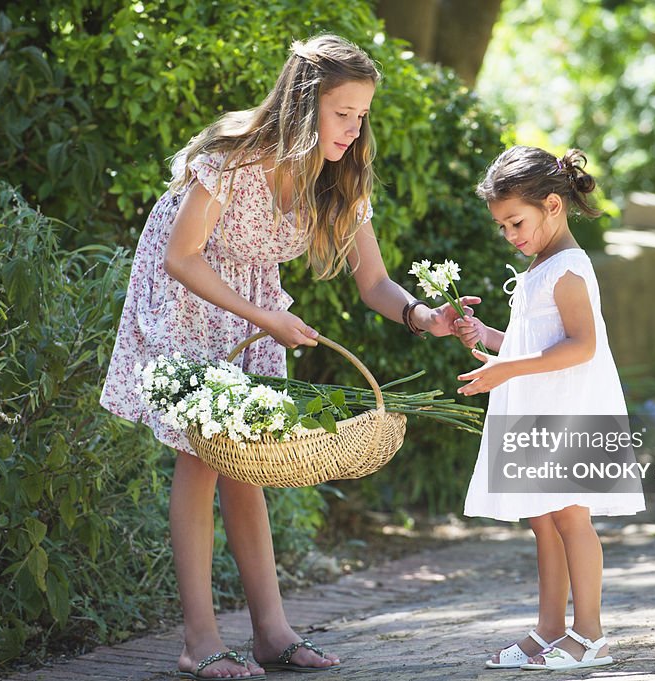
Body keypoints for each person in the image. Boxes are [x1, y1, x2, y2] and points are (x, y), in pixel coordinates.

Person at [100, 34, 476, 680]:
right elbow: (180, 256)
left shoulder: (340, 174)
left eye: (362, 117)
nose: (354, 131)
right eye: (342, 114)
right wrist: (266, 317)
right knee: (204, 451)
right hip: (192, 285)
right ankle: (199, 638)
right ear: (305, 104)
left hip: (249, 299)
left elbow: (374, 283)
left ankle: (271, 632)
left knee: (248, 452)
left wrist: (423, 316)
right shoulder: (237, 157)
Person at [454, 145, 646, 671]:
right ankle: (549, 630)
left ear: (554, 206)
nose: (511, 235)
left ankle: (591, 635)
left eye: (517, 222)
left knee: (570, 515)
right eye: (502, 227)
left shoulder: (568, 269)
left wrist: (506, 370)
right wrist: (487, 338)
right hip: (538, 404)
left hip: (569, 406)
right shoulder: (542, 265)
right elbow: (531, 340)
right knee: (542, 519)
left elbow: (581, 346)